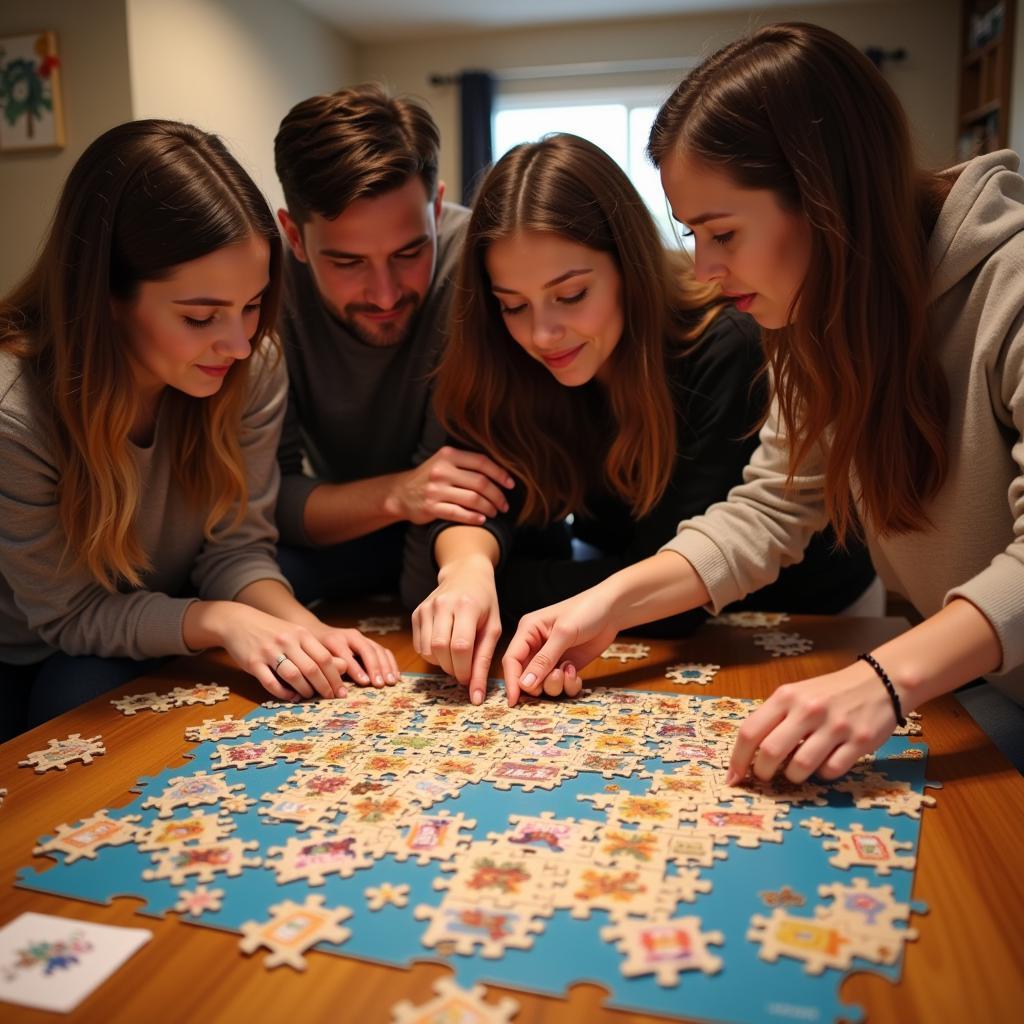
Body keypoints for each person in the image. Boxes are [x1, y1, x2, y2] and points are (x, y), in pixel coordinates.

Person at [502, 23, 1024, 782]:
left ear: (826, 197)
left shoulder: (1009, 287)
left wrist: (882, 680)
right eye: (691, 234)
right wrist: (608, 606)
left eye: (721, 233)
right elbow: (774, 507)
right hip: (972, 687)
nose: (705, 269)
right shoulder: (811, 309)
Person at [404, 133, 877, 703]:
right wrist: (466, 571)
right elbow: (452, 530)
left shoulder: (725, 343)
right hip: (638, 622)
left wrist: (506, 581)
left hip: (808, 622)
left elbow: (673, 600)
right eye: (513, 304)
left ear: (629, 269)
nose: (541, 334)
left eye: (572, 294)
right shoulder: (510, 356)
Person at [0, 119, 397, 742]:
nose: (238, 343)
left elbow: (237, 546)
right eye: (201, 316)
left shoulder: (250, 362)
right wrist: (220, 621)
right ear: (106, 294)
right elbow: (70, 617)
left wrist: (302, 630)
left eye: (251, 305)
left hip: (167, 607)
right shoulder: (15, 412)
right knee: (72, 693)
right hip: (35, 648)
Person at [272, 84, 513, 605]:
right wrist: (399, 493)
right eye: (347, 262)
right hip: (345, 529)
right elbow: (264, 500)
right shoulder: (258, 291)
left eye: (410, 251)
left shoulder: (475, 265)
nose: (385, 294)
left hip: (468, 535)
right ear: (293, 236)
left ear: (437, 206)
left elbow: (456, 490)